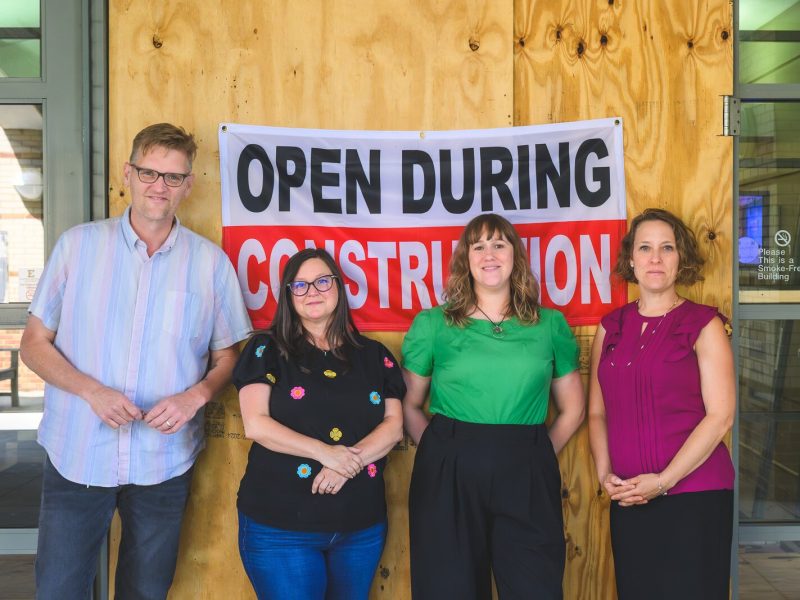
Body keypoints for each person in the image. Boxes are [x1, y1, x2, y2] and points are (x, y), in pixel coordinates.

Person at [20, 123, 252, 599]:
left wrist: (197, 395)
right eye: (149, 172)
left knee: (145, 593)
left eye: (173, 177)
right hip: (78, 455)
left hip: (162, 463)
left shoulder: (210, 264)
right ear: (128, 172)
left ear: (189, 185)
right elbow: (33, 344)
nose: (159, 186)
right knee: (59, 590)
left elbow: (229, 355)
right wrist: (91, 391)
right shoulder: (77, 247)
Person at [402, 213, 585, 600]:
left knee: (534, 586)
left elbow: (573, 409)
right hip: (448, 470)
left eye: (499, 244)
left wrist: (534, 454)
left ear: (515, 256)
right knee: (449, 588)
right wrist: (439, 449)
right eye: (479, 245)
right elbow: (409, 403)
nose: (489, 254)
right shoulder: (434, 324)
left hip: (527, 467)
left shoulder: (549, 324)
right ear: (465, 259)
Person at [232, 248, 405, 600]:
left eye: (322, 281)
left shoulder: (374, 356)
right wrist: (326, 454)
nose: (313, 291)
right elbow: (256, 424)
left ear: (339, 288)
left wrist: (345, 464)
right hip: (281, 526)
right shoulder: (266, 349)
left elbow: (393, 427)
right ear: (288, 294)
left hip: (361, 526)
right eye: (301, 285)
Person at [588, 208, 735, 599]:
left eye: (666, 248)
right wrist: (606, 477)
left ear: (680, 259)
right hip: (631, 497)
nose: (655, 258)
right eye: (646, 248)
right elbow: (597, 412)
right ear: (631, 260)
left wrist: (664, 481)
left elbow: (720, 417)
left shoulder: (704, 324)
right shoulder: (611, 326)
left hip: (695, 496)